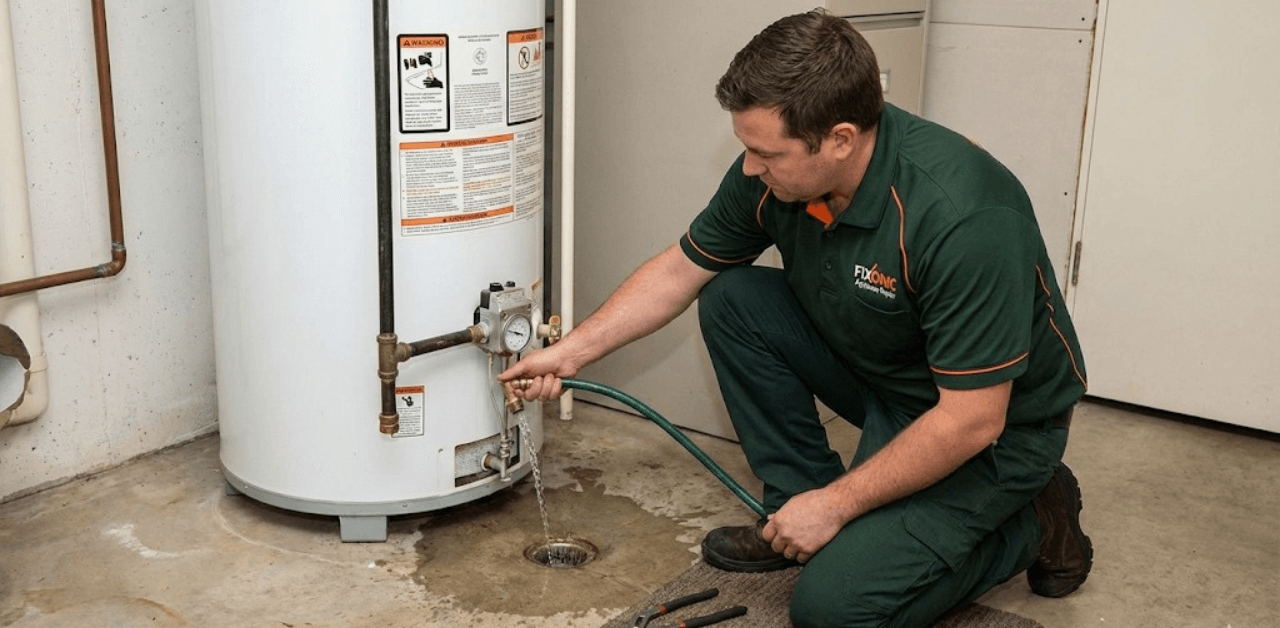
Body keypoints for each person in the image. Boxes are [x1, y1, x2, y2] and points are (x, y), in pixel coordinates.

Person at [500, 9, 1092, 628]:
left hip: (993, 429)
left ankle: (1034, 518)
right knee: (733, 297)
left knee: (834, 610)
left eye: (766, 153)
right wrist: (569, 353)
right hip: (890, 374)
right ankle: (794, 511)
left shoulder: (963, 217)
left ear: (838, 138)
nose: (751, 168)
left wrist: (840, 504)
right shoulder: (776, 176)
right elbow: (681, 271)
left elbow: (972, 419)